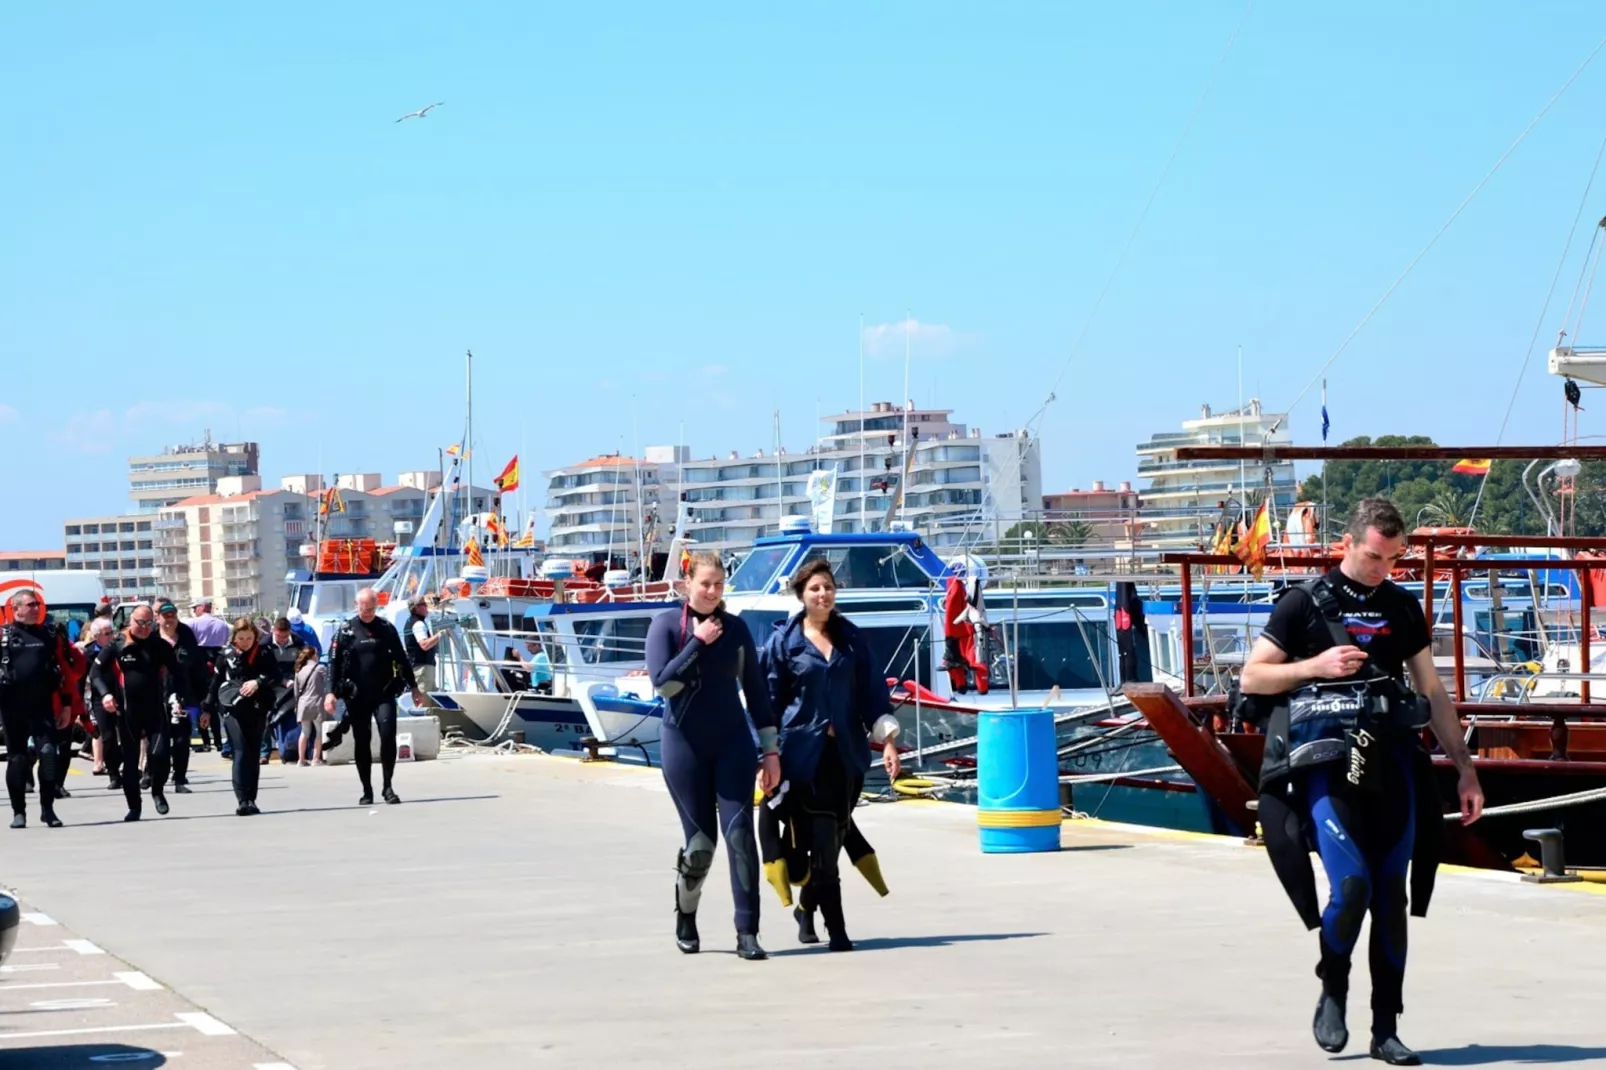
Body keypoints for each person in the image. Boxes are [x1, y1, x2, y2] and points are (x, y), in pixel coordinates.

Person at [1240, 497, 1484, 1066]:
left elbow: (1432, 692)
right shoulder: (1302, 604)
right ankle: (1333, 984)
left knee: (1391, 901)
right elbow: (1253, 674)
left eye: (1393, 559)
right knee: (1351, 889)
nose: (1383, 569)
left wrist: (1466, 771)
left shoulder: (1400, 607)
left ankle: (1385, 1028)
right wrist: (1313, 668)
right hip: (1330, 764)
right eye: (1375, 556)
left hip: (1393, 761)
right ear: (1347, 544)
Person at [759, 558, 900, 951]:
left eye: (828, 588)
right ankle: (837, 931)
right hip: (800, 758)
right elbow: (768, 702)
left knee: (830, 840)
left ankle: (807, 908)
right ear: (801, 595)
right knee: (820, 841)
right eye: (815, 589)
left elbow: (873, 695)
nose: (823, 595)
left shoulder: (852, 639)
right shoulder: (783, 643)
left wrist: (888, 741)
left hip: (847, 757)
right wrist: (765, 755)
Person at [646, 551, 780, 961]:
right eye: (704, 583)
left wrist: (771, 751)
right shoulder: (666, 625)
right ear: (686, 583)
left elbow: (757, 694)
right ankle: (686, 915)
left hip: (733, 744)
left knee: (740, 837)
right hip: (684, 745)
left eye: (719, 584)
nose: (711, 591)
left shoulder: (736, 630)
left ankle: (747, 932)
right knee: (700, 845)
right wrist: (697, 643)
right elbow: (663, 685)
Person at [323, 588, 426, 805]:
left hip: (384, 692)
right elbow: (333, 664)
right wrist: (331, 693)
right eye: (364, 608)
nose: (368, 612)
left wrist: (415, 688)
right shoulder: (346, 631)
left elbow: (402, 659)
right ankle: (366, 790)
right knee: (362, 740)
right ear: (356, 604)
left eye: (372, 608)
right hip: (357, 695)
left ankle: (387, 787)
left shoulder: (386, 628)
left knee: (388, 735)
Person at [90, 604, 182, 821]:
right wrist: (105, 695)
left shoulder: (159, 645)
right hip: (128, 711)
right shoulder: (118, 643)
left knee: (159, 755)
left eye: (149, 623)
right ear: (131, 621)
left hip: (155, 709)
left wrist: (177, 698)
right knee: (130, 762)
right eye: (140, 623)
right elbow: (95, 673)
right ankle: (134, 806)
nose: (143, 627)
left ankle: (157, 790)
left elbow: (178, 674)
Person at [0, 590, 73, 828]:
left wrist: (67, 705)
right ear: (16, 608)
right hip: (12, 707)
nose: (35, 608)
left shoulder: (49, 635)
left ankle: (48, 809)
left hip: (42, 705)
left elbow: (63, 671)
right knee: (18, 760)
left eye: (37, 604)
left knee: (49, 754)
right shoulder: (4, 635)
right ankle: (18, 812)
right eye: (31, 604)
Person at [203, 617, 282, 816]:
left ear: (255, 636)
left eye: (249, 637)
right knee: (240, 750)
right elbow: (215, 683)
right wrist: (206, 708)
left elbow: (276, 676)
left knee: (253, 753)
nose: (245, 642)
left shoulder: (264, 652)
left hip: (257, 707)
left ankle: (252, 799)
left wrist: (258, 682)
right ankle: (242, 799)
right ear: (234, 638)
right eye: (241, 638)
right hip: (233, 708)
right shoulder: (225, 655)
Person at [155, 600, 206, 794]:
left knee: (181, 739)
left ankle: (179, 778)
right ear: (158, 618)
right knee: (158, 739)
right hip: (157, 696)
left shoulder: (186, 638)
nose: (169, 620)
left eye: (172, 616)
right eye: (165, 616)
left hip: (184, 697)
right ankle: (152, 774)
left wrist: (202, 700)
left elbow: (199, 669)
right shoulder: (152, 639)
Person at [188, 599, 229, 755]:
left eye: (195, 608)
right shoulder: (223, 625)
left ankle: (204, 741)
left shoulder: (193, 624)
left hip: (199, 663)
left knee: (201, 703)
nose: (193, 611)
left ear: (201, 607)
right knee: (217, 703)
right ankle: (219, 741)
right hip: (218, 661)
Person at [262, 618, 304, 765]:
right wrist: (280, 681)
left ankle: (291, 748)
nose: (282, 640)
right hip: (271, 683)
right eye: (279, 636)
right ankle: (264, 752)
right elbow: (263, 667)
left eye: (285, 637)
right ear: (273, 630)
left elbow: (302, 662)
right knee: (265, 715)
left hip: (292, 684)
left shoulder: (298, 642)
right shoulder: (264, 644)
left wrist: (296, 679)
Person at [78, 618, 115, 778]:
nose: (110, 636)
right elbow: (81, 679)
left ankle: (121, 768)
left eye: (111, 632)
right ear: (96, 636)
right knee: (106, 735)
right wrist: (79, 705)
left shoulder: (118, 648)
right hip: (98, 698)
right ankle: (112, 772)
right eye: (106, 634)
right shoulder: (88, 653)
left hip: (119, 694)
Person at [401, 598, 442, 708]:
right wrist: (439, 635)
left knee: (429, 700)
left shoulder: (411, 622)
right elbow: (424, 645)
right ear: (416, 608)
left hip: (420, 667)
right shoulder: (418, 624)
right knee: (424, 702)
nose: (426, 606)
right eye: (423, 604)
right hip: (422, 668)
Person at [292, 645, 328, 766]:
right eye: (316, 654)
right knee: (319, 732)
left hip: (303, 704)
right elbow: (327, 684)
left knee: (305, 732)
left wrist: (296, 705)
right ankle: (315, 759)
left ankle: (301, 759)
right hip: (317, 702)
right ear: (313, 655)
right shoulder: (320, 668)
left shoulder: (299, 670)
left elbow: (296, 691)